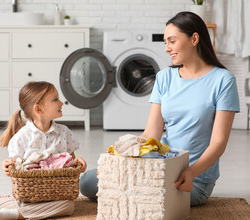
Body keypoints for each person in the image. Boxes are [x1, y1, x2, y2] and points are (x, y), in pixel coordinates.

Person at [79, 11, 240, 206]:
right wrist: (118, 160)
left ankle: (130, 191)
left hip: (193, 180)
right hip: (158, 166)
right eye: (165, 42)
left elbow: (218, 143)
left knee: (146, 192)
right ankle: (132, 187)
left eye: (172, 41)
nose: (166, 48)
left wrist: (189, 173)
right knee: (88, 181)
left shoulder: (223, 80)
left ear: (194, 39)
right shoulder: (165, 78)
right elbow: (151, 133)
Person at [0, 81, 87, 220]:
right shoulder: (21, 138)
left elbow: (71, 162)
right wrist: (6, 165)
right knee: (19, 201)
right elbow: (16, 169)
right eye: (55, 99)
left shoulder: (64, 133)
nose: (61, 103)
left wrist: (79, 164)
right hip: (29, 195)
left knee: (69, 206)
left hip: (58, 193)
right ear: (38, 109)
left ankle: (15, 214)